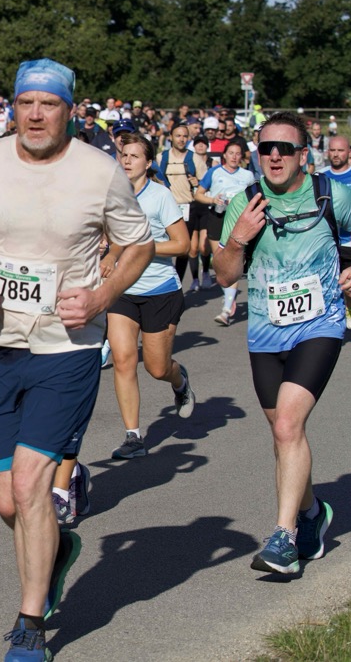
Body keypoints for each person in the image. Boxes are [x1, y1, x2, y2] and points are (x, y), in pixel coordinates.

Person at [0, 59, 153, 660]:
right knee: (8, 502)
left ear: (70, 110)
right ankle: (57, 549)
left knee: (30, 484)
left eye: (49, 104)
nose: (36, 115)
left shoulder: (99, 171)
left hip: (67, 349)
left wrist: (101, 297)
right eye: (26, 103)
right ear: (13, 106)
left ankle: (30, 625)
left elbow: (139, 243)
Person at [215, 111, 351, 574]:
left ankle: (283, 538)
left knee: (287, 426)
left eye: (285, 148)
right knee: (283, 433)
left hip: (320, 324)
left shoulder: (330, 194)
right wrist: (237, 240)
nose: (275, 156)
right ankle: (312, 512)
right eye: (267, 149)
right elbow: (224, 276)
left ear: (303, 154)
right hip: (266, 332)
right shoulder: (246, 202)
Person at [105, 133, 195, 464]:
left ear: (148, 162)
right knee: (123, 359)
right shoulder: (112, 195)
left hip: (160, 291)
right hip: (123, 291)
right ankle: (133, 436)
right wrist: (108, 251)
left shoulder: (160, 196)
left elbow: (183, 244)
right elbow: (111, 235)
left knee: (157, 368)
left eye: (134, 155)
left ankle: (179, 380)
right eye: (123, 154)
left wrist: (144, 247)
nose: (127, 160)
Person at [195, 137, 257, 325]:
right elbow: (198, 194)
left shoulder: (247, 176)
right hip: (218, 217)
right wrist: (213, 200)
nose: (234, 157)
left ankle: (226, 309)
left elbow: (255, 197)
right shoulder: (214, 172)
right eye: (231, 153)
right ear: (224, 155)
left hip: (238, 221)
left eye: (238, 154)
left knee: (232, 259)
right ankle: (230, 296)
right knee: (219, 260)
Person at [317, 135, 351, 329]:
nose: (336, 154)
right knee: (328, 285)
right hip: (326, 242)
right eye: (333, 150)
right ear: (327, 152)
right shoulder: (320, 177)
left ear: (348, 152)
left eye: (340, 150)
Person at [155, 123, 200, 287]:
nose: (181, 139)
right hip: (165, 206)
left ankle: (177, 284)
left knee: (183, 248)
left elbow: (205, 185)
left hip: (187, 206)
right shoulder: (161, 157)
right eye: (178, 136)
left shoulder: (195, 158)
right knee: (162, 244)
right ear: (170, 137)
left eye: (185, 136)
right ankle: (161, 281)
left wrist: (198, 182)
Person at [186, 134, 214, 291]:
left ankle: (206, 273)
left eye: (203, 143)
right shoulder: (189, 163)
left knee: (204, 246)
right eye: (198, 143)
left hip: (206, 206)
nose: (200, 146)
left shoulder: (213, 163)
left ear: (207, 146)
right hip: (191, 205)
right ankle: (195, 279)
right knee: (193, 247)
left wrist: (200, 182)